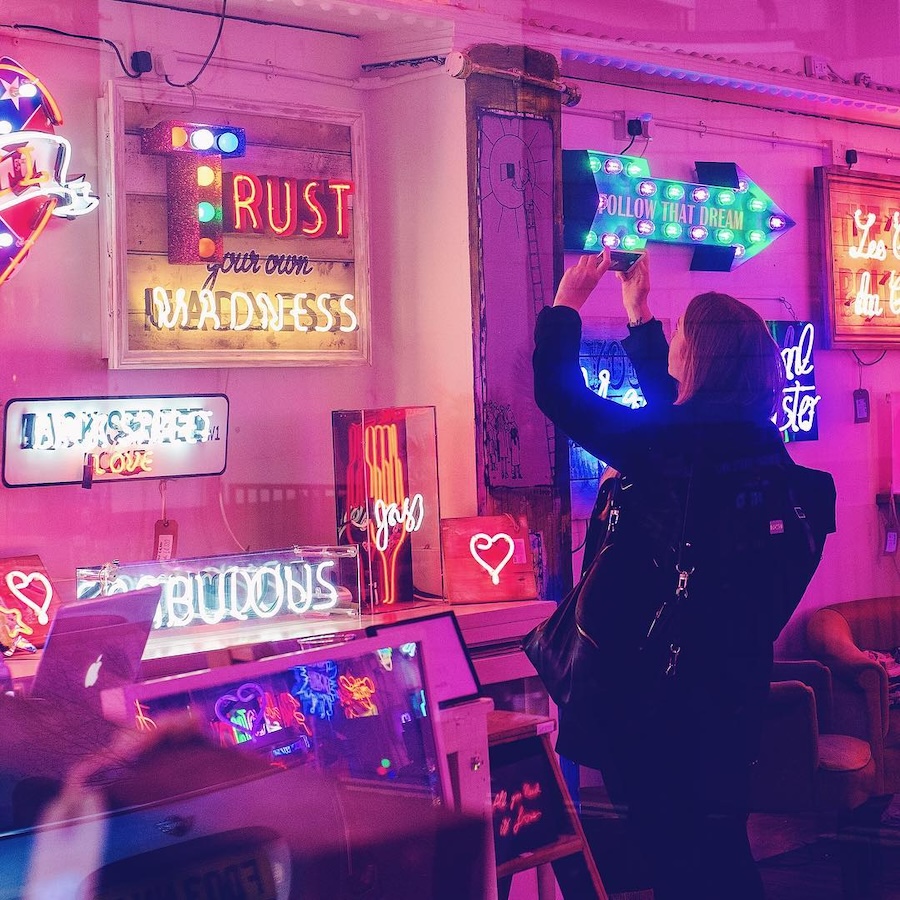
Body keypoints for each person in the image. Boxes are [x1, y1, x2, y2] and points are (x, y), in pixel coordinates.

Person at [532, 248, 833, 900]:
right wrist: (640, 316)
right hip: (731, 698)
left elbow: (558, 393)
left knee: (676, 861)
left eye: (679, 339)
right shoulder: (762, 453)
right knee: (718, 851)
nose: (672, 347)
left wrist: (566, 303)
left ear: (698, 359)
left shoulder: (666, 451)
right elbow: (683, 421)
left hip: (652, 705)